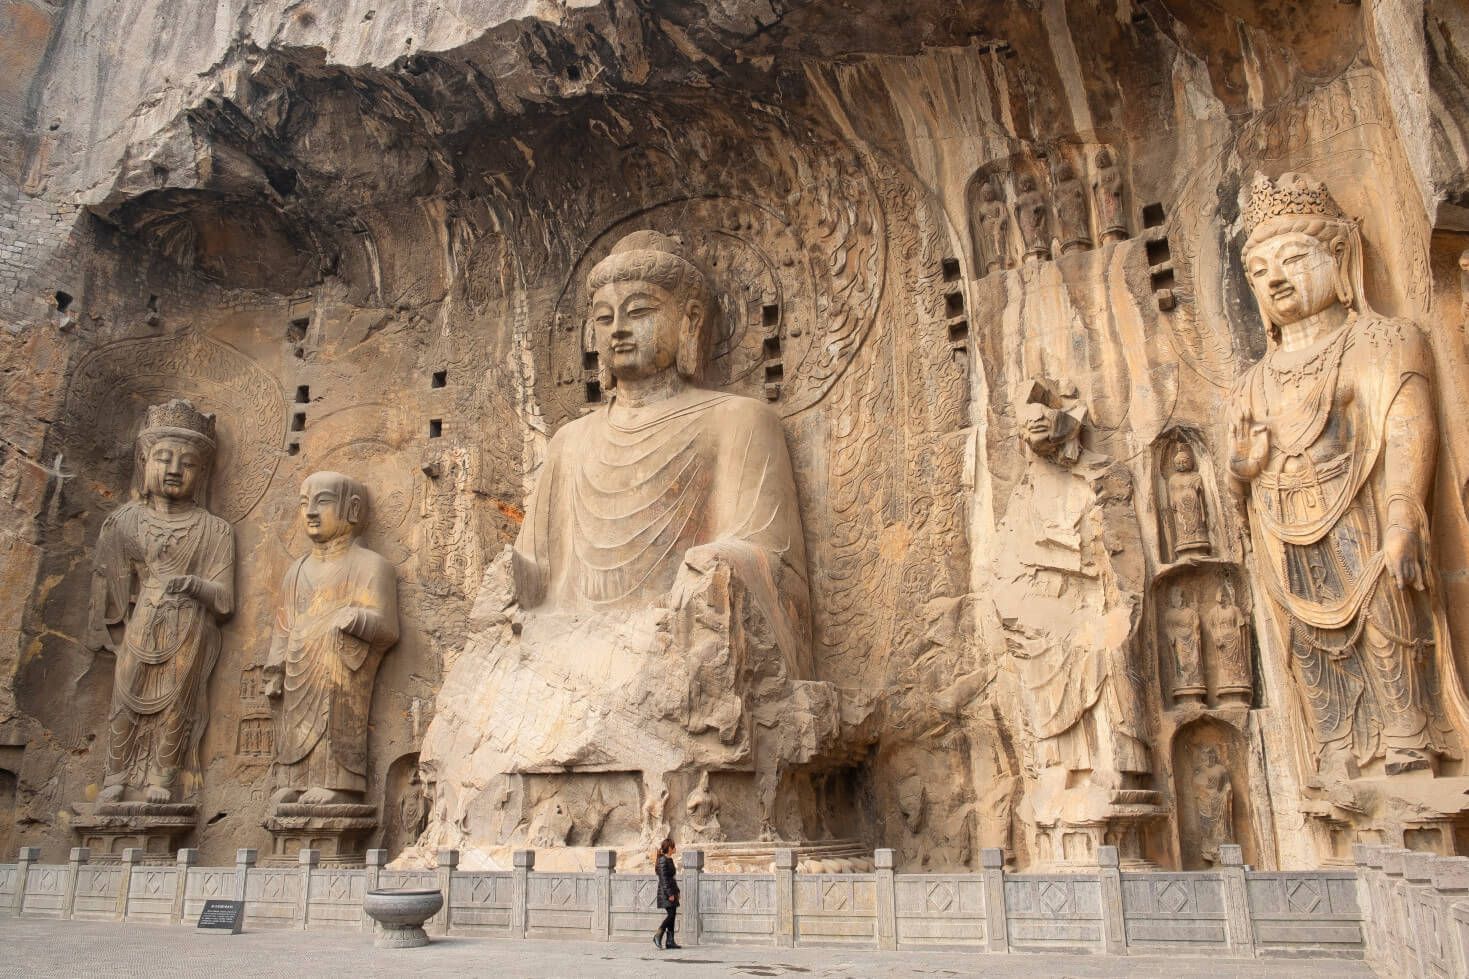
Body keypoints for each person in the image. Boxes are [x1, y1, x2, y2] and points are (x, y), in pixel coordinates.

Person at [653, 836, 681, 950]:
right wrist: (670, 894)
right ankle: (658, 934)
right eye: (674, 846)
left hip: (672, 891)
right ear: (669, 848)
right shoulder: (662, 860)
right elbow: (664, 879)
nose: (675, 848)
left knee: (672, 915)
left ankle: (670, 942)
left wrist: (677, 891)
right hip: (666, 893)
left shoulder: (669, 859)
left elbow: (671, 878)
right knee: (670, 915)